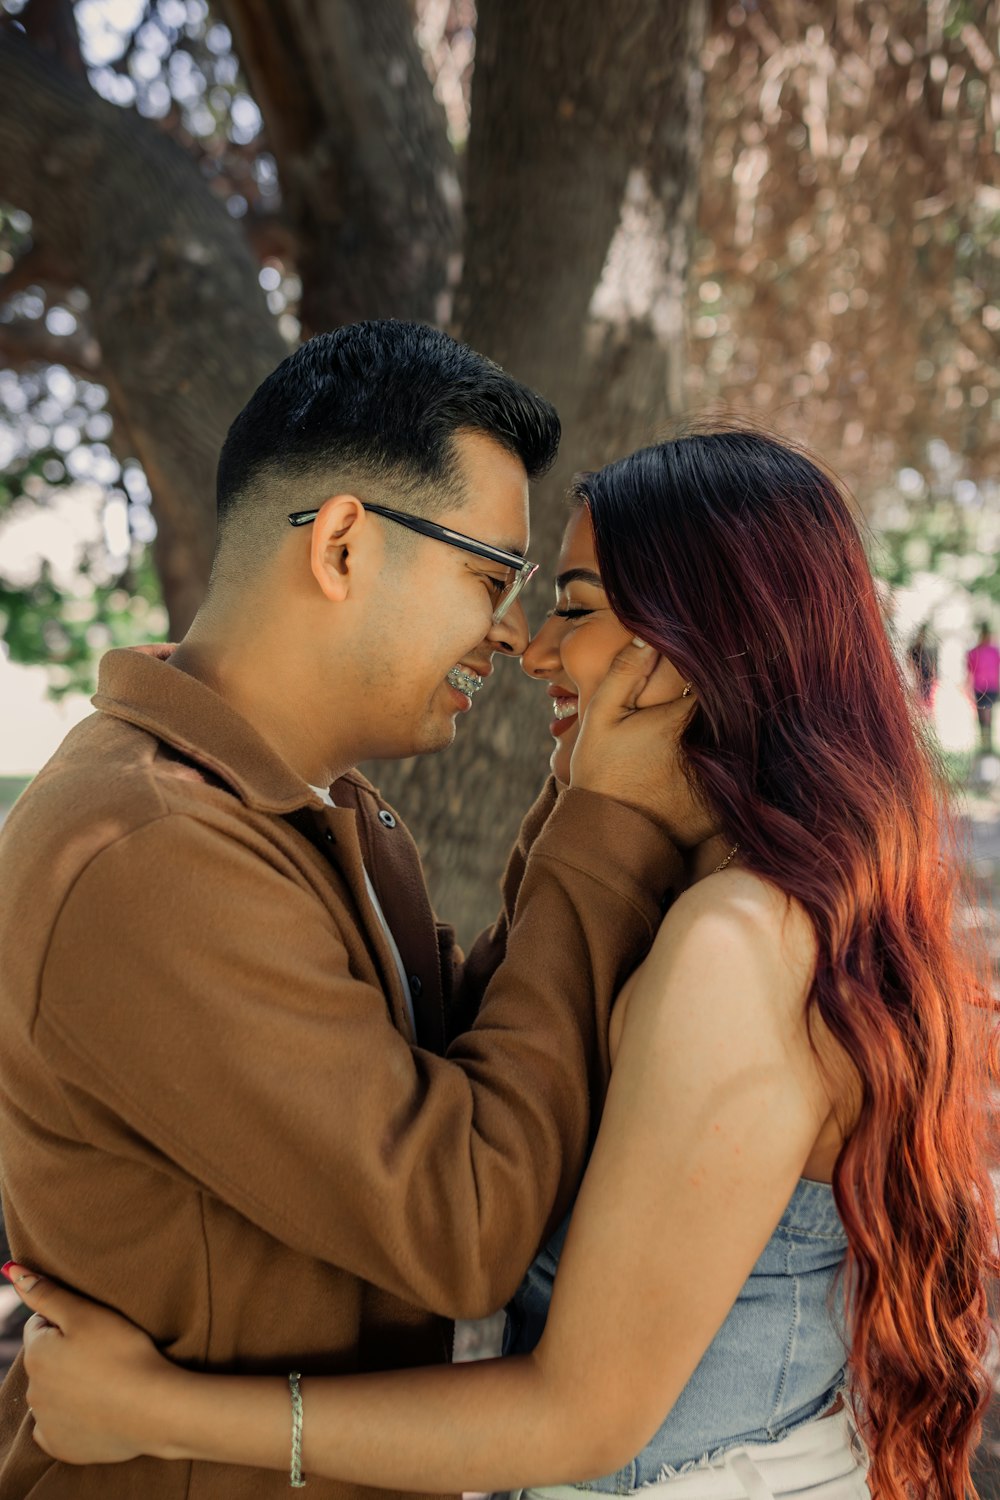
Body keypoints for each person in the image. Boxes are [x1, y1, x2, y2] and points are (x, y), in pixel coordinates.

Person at [6, 431, 996, 1500]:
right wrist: (588, 809)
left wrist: (150, 1410)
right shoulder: (732, 915)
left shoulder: (732, 946)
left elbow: (576, 1415)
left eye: (570, 604)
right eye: (501, 583)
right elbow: (488, 1064)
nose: (527, 647)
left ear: (687, 648)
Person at [0, 322, 697, 1499]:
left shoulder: (311, 813)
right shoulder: (154, 851)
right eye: (491, 577)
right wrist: (607, 831)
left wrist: (579, 797)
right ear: (339, 544)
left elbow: (472, 1064)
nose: (513, 637)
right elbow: (466, 1216)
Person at [967, 623, 1000, 754]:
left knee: (988, 711)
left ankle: (987, 742)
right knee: (983, 713)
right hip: (980, 687)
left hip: (992, 686)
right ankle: (984, 741)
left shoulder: (994, 651)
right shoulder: (974, 652)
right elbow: (970, 670)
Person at [907, 623, 938, 714]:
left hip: (927, 677)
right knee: (921, 697)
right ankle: (923, 712)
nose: (923, 637)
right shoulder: (913, 649)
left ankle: (928, 714)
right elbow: (910, 663)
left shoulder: (926, 649)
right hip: (919, 677)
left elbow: (931, 664)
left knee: (927, 697)